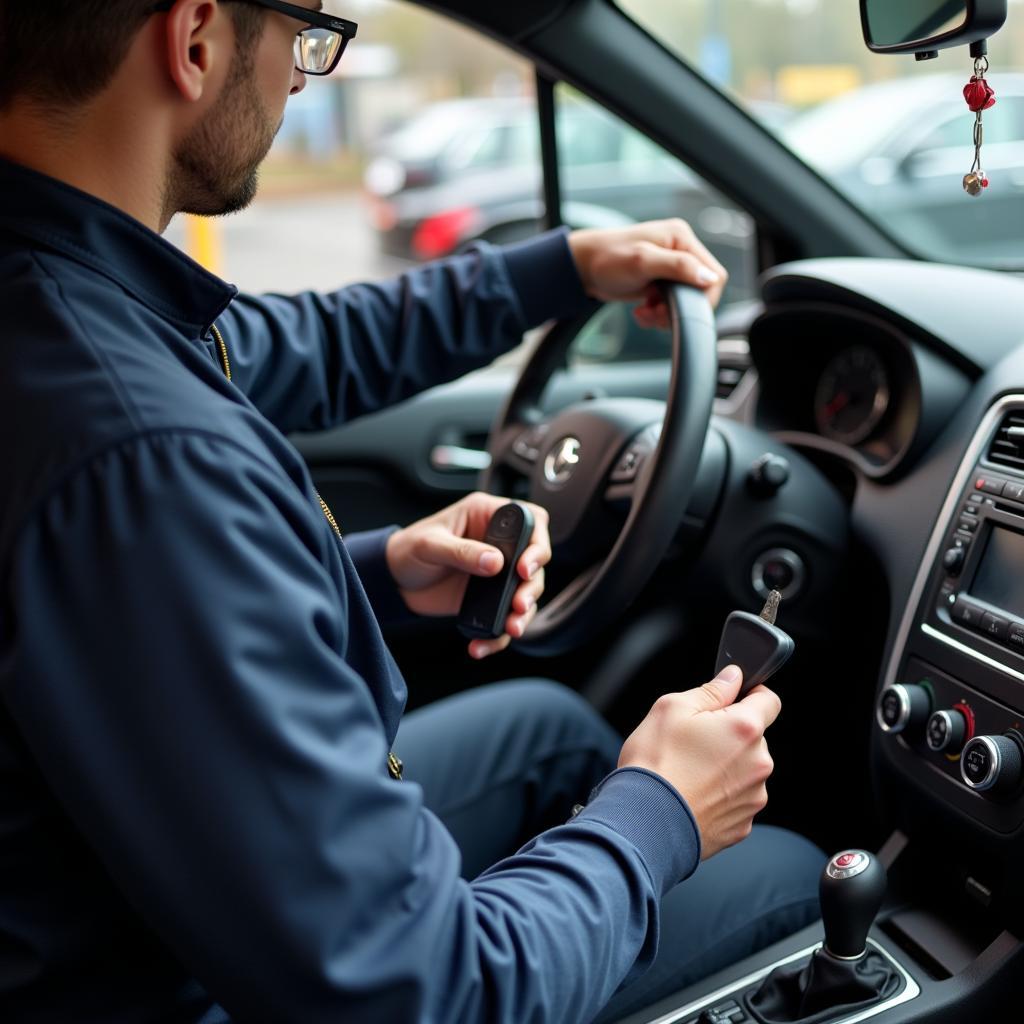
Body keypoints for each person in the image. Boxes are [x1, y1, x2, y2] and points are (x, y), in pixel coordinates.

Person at [0, 2, 825, 1022]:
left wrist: (370, 573)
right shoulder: (137, 450)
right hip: (171, 982)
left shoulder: (70, 299)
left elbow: (292, 351)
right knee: (792, 875)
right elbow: (430, 993)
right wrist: (662, 812)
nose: (305, 79)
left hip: (128, 881)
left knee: (554, 733)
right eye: (303, 34)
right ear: (198, 38)